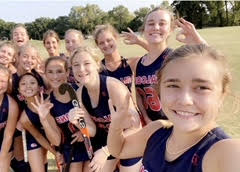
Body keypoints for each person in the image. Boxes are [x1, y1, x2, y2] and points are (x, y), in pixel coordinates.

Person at [107, 44, 240, 172]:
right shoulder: (156, 132)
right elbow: (119, 149)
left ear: (222, 96)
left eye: (202, 87)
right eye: (173, 85)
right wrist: (116, 126)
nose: (185, 100)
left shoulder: (225, 151)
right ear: (159, 91)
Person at [122, 7, 207, 124]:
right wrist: (147, 119)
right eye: (151, 24)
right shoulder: (140, 62)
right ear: (144, 29)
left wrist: (199, 41)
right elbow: (139, 95)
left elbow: (212, 67)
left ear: (171, 30)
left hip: (176, 126)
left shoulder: (176, 58)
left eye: (162, 23)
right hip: (152, 127)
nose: (156, 27)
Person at [70, 46, 141, 172]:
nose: (81, 69)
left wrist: (105, 151)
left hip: (128, 139)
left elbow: (135, 128)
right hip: (107, 140)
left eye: (87, 63)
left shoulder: (114, 88)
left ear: (97, 64)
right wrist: (77, 122)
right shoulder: (80, 93)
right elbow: (91, 131)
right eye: (76, 65)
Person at [34, 56, 96, 172]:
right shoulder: (48, 103)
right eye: (50, 72)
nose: (55, 76)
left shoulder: (80, 91)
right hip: (70, 149)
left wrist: (83, 131)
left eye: (59, 71)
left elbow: (94, 125)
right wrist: (44, 119)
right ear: (45, 74)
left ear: (67, 72)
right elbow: (56, 140)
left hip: (91, 144)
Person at [17, 72, 58, 172]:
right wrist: (55, 153)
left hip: (56, 136)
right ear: (19, 90)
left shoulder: (50, 101)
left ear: (40, 87)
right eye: (23, 84)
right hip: (37, 139)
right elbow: (37, 136)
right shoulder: (24, 118)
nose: (28, 86)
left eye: (32, 83)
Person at [94, 24, 148, 91]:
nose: (106, 44)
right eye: (101, 43)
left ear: (116, 38)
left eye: (109, 40)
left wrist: (139, 41)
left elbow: (156, 54)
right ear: (97, 45)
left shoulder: (130, 63)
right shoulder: (97, 68)